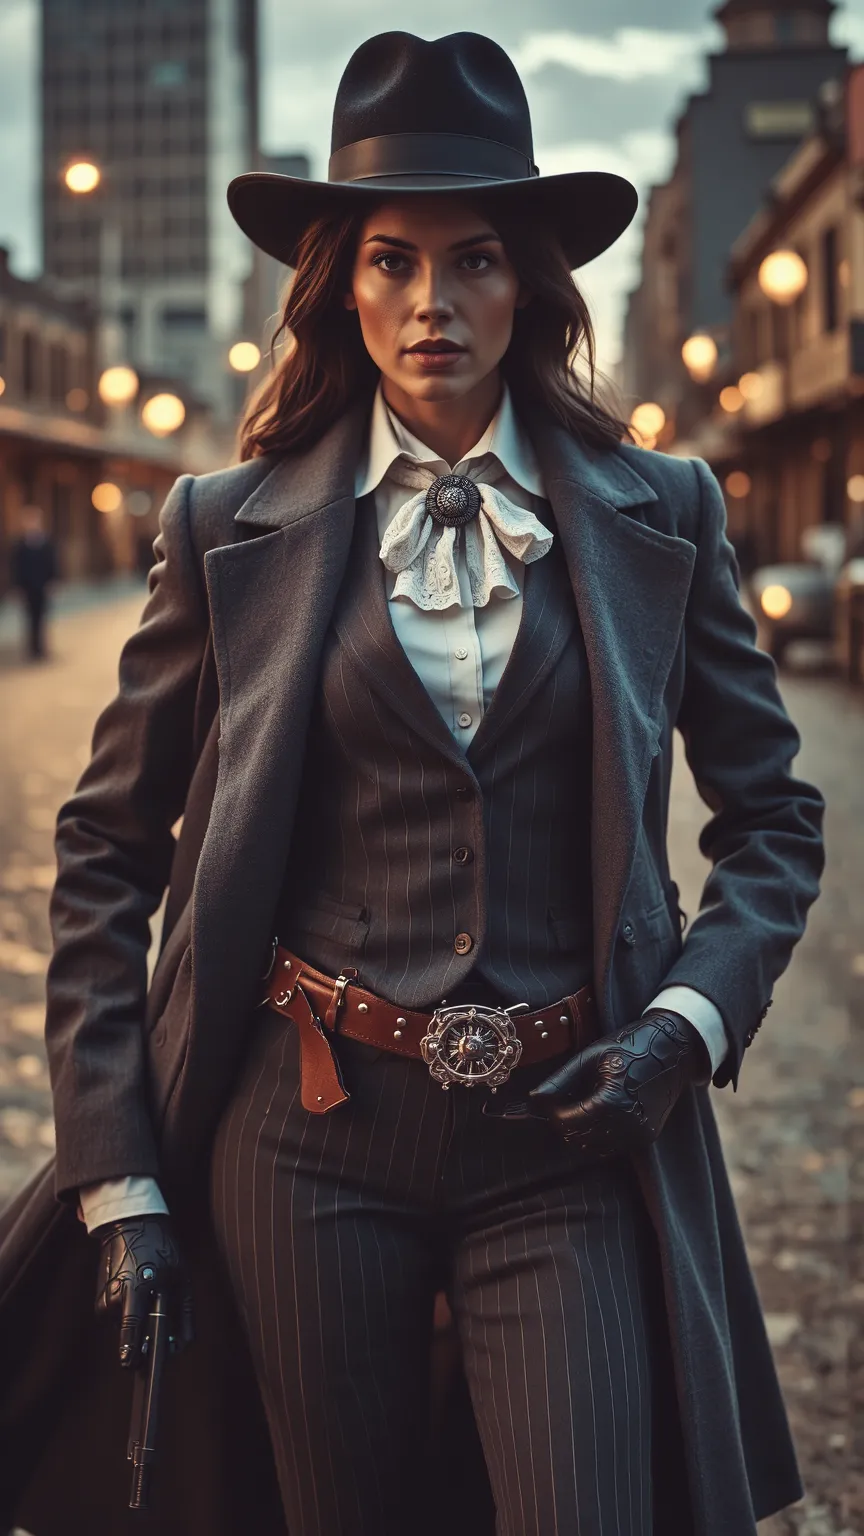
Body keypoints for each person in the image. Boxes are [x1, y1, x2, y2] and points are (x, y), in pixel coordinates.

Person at [0, 30, 825, 1536]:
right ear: (340, 282)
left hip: (570, 1132)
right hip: (300, 1142)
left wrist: (684, 1029)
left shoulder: (671, 513)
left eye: (475, 261)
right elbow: (107, 848)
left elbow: (773, 818)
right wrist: (121, 1176)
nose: (432, 304)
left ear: (532, 282)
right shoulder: (223, 525)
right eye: (390, 261)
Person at [10, 504, 57, 660]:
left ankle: (41, 648)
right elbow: (16, 567)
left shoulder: (46, 543)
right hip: (27, 587)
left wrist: (53, 582)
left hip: (42, 586)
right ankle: (32, 649)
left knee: (41, 617)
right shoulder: (20, 545)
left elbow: (52, 563)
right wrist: (17, 586)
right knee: (29, 618)